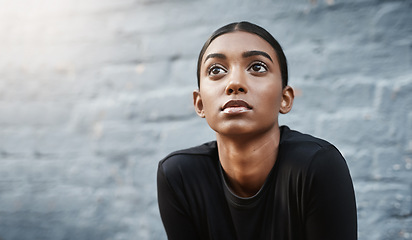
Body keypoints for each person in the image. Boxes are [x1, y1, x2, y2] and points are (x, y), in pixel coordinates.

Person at [157, 21, 357, 240]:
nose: (234, 83)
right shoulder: (180, 175)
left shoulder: (316, 165)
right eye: (216, 70)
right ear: (199, 103)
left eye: (257, 67)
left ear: (285, 98)